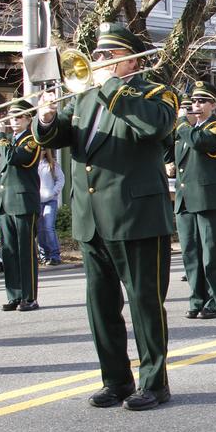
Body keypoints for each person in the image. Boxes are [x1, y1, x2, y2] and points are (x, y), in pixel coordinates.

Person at [34, 22, 178, 410]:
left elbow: (155, 127)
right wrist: (46, 117)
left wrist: (111, 86)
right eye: (95, 57)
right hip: (91, 218)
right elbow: (55, 137)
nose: (95, 63)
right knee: (100, 306)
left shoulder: (156, 93)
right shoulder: (82, 99)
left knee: (145, 302)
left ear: (128, 62)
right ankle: (115, 380)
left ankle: (154, 382)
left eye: (105, 58)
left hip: (136, 216)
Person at [174, 82, 216, 319]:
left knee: (210, 254)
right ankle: (196, 299)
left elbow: (199, 142)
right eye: (193, 102)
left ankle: (214, 301)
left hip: (210, 199)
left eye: (201, 101)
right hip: (186, 200)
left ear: (213, 105)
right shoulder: (186, 130)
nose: (195, 106)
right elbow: (171, 154)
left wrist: (181, 124)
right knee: (190, 253)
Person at [0, 100, 42, 311]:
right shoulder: (6, 140)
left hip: (24, 202)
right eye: (11, 117)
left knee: (25, 251)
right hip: (5, 203)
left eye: (18, 117)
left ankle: (30, 297)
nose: (13, 121)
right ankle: (15, 295)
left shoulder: (32, 139)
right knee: (8, 251)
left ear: (28, 119)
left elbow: (15, 159)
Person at [38, 149, 65, 266]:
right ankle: (44, 255)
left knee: (48, 227)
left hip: (50, 200)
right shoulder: (31, 164)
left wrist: (54, 192)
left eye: (43, 150)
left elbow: (61, 179)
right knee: (39, 229)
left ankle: (55, 255)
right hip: (36, 201)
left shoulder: (52, 164)